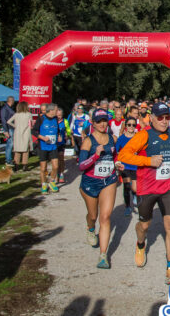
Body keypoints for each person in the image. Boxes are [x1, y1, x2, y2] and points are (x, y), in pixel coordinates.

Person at [117, 102, 170, 285]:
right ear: (152, 118)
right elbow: (123, 155)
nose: (164, 121)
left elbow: (168, 155)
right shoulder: (143, 135)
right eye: (160, 117)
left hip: (167, 186)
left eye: (167, 117)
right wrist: (148, 161)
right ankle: (140, 244)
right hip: (147, 188)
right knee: (144, 225)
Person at [77, 108, 118, 269]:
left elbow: (116, 157)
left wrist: (118, 164)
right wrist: (95, 155)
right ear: (93, 123)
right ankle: (90, 227)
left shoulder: (113, 139)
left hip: (109, 180)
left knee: (105, 217)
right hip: (90, 182)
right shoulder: (88, 141)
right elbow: (81, 165)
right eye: (99, 121)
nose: (102, 124)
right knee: (93, 215)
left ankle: (103, 255)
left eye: (104, 121)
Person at [32, 103, 61, 194]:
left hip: (53, 146)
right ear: (51, 111)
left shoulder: (55, 118)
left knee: (56, 166)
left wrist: (59, 136)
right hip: (43, 146)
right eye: (56, 110)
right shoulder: (41, 119)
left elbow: (57, 129)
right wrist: (43, 138)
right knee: (43, 168)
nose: (58, 112)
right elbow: (33, 131)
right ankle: (44, 184)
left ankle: (52, 182)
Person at [116, 116, 138, 217]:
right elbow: (116, 151)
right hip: (125, 166)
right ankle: (128, 207)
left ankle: (134, 195)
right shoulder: (121, 138)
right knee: (127, 186)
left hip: (136, 166)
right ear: (126, 126)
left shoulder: (138, 137)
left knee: (135, 188)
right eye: (129, 125)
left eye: (133, 125)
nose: (131, 127)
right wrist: (117, 163)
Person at [7, 101, 33, 171]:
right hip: (26, 133)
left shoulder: (16, 115)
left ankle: (16, 165)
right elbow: (30, 124)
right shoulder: (29, 114)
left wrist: (15, 126)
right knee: (25, 151)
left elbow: (8, 121)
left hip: (17, 133)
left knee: (17, 151)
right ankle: (25, 166)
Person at [0, 96, 16, 166]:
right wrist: (6, 130)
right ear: (11, 101)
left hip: (12, 127)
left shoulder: (9, 108)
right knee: (10, 144)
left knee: (11, 144)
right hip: (8, 128)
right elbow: (3, 120)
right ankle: (8, 160)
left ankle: (9, 158)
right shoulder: (4, 109)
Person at [56, 108, 69, 183]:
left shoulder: (65, 121)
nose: (59, 117)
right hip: (54, 143)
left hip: (62, 143)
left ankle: (61, 173)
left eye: (60, 115)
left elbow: (68, 130)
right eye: (57, 115)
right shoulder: (53, 121)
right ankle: (56, 173)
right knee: (55, 159)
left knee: (61, 158)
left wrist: (68, 134)